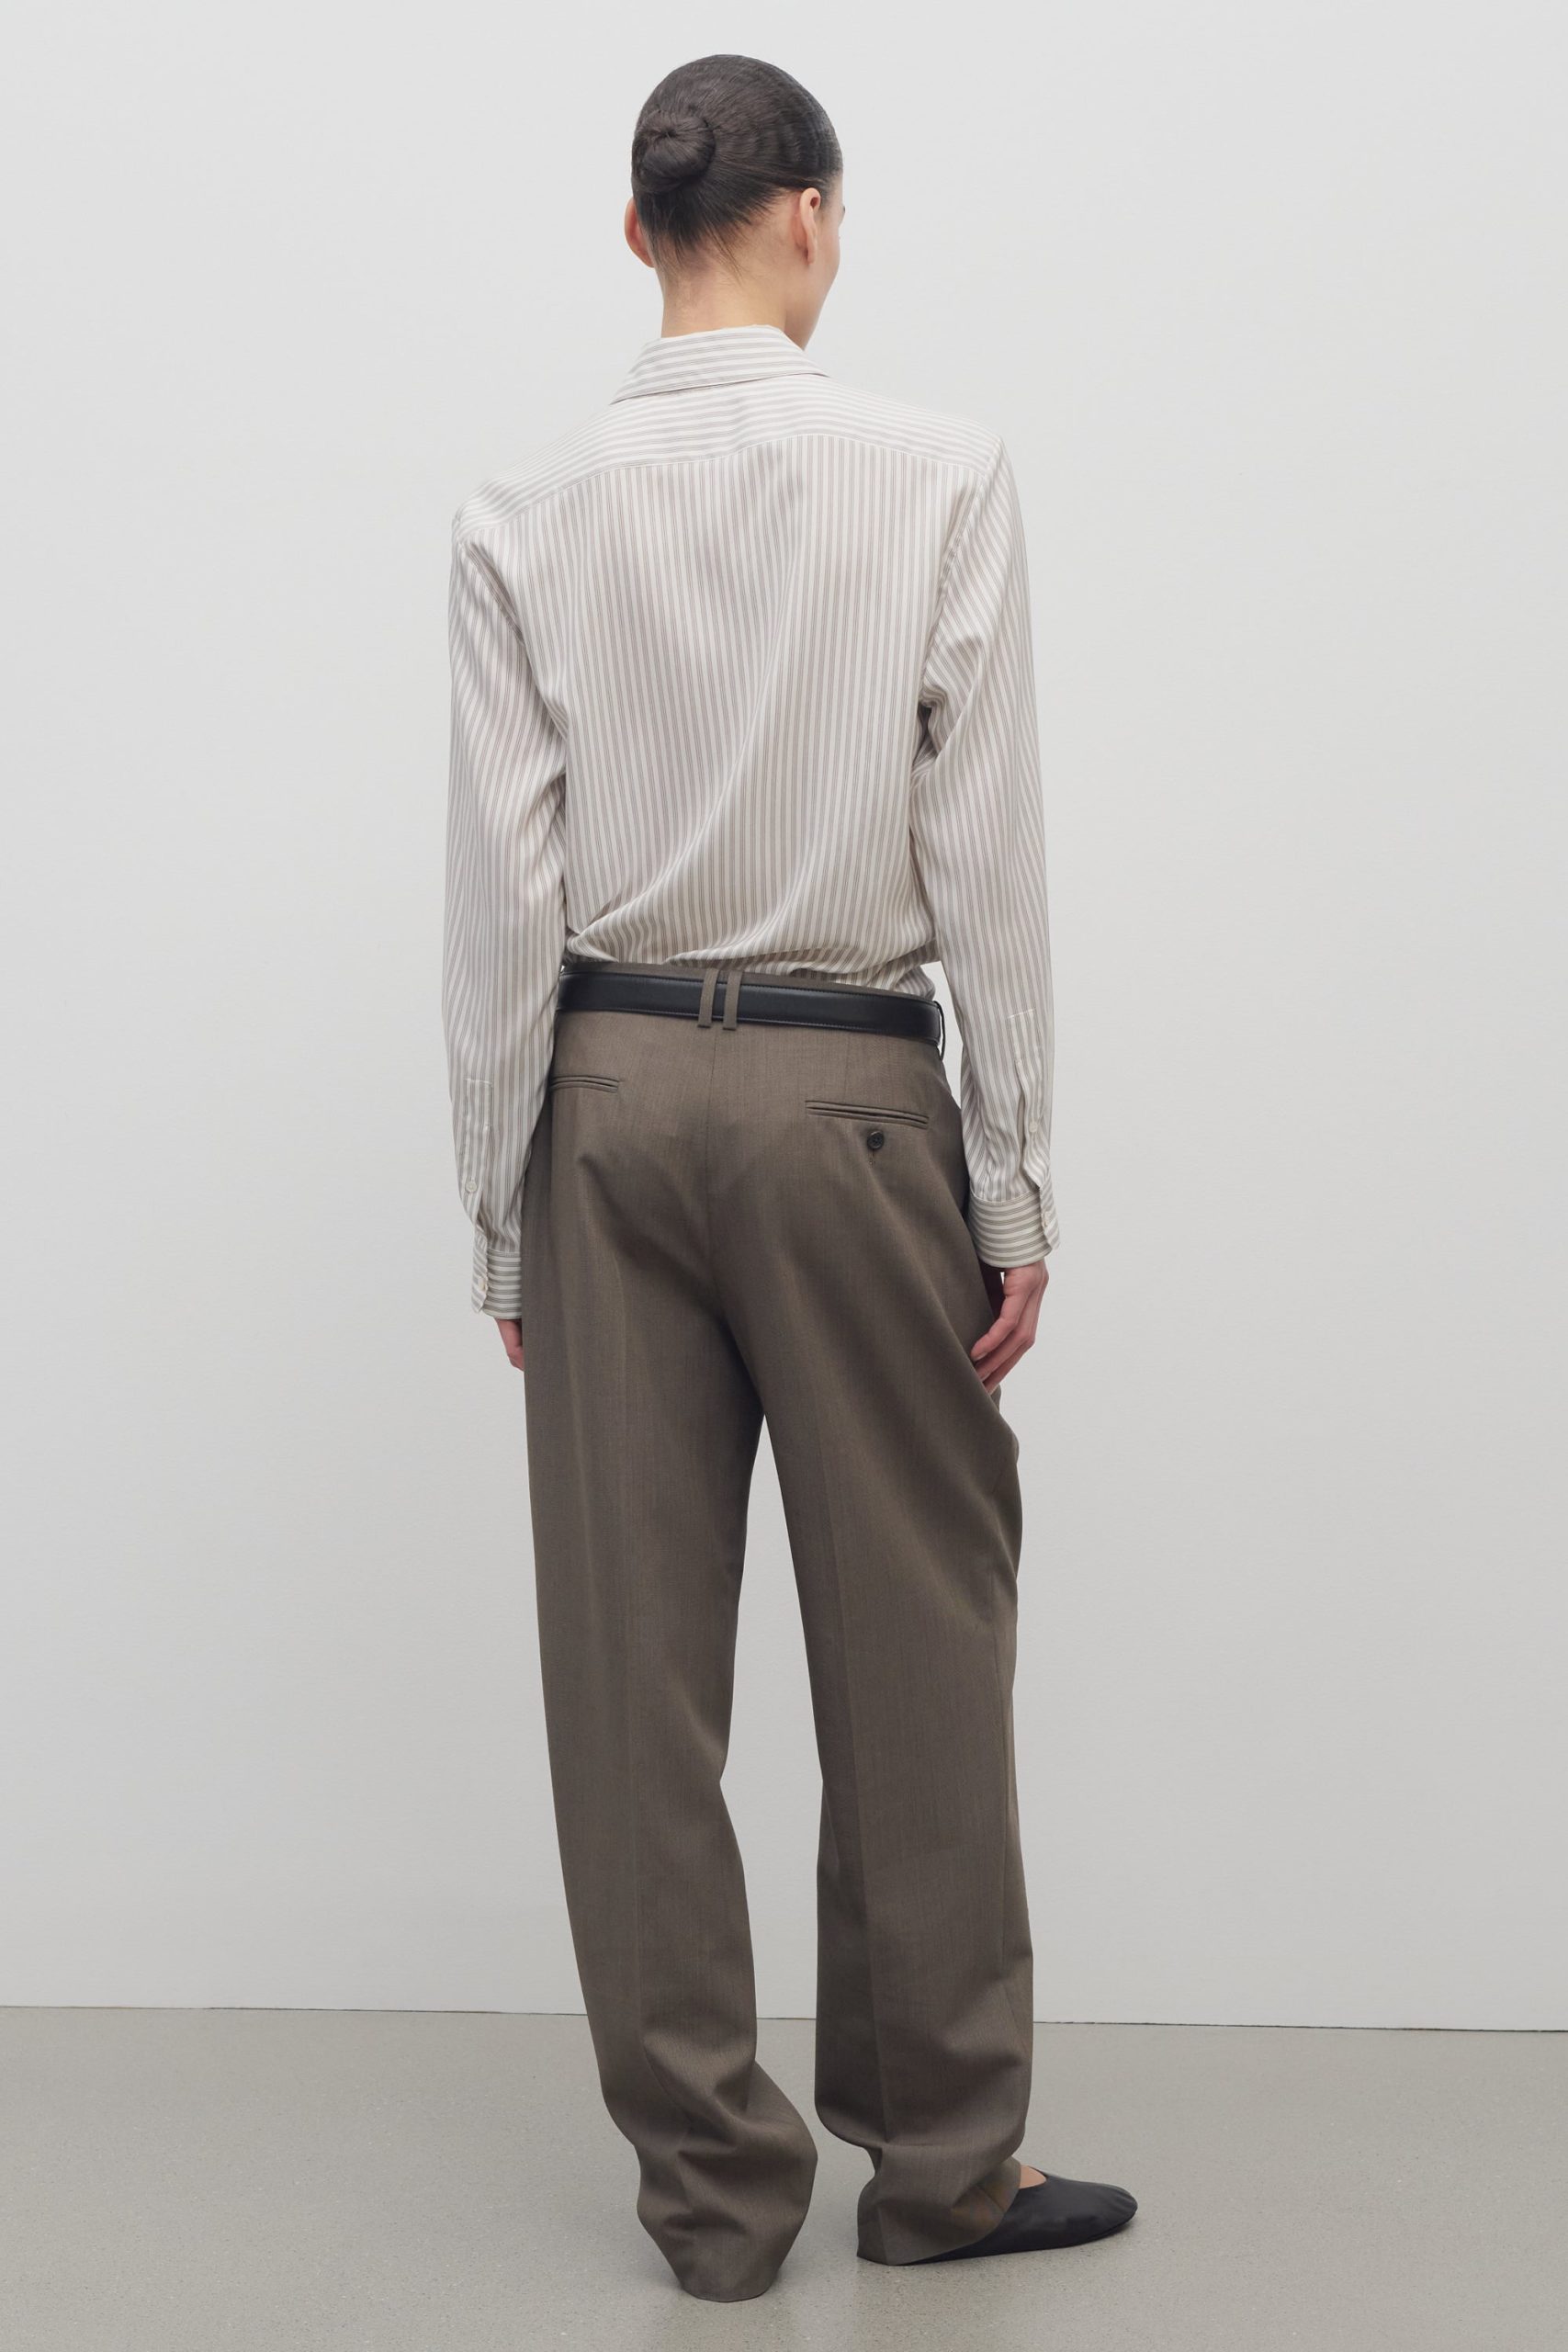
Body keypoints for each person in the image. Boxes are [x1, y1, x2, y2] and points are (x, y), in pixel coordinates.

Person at [442, 49, 1137, 2305]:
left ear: (635, 230)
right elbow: (982, 856)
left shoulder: (523, 512)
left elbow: (498, 898)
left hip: (607, 1095)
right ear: (813, 214)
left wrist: (499, 1203)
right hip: (850, 1102)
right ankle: (939, 2164)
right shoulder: (937, 474)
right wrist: (1012, 1184)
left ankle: (710, 2200)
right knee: (916, 1636)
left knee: (628, 1674)